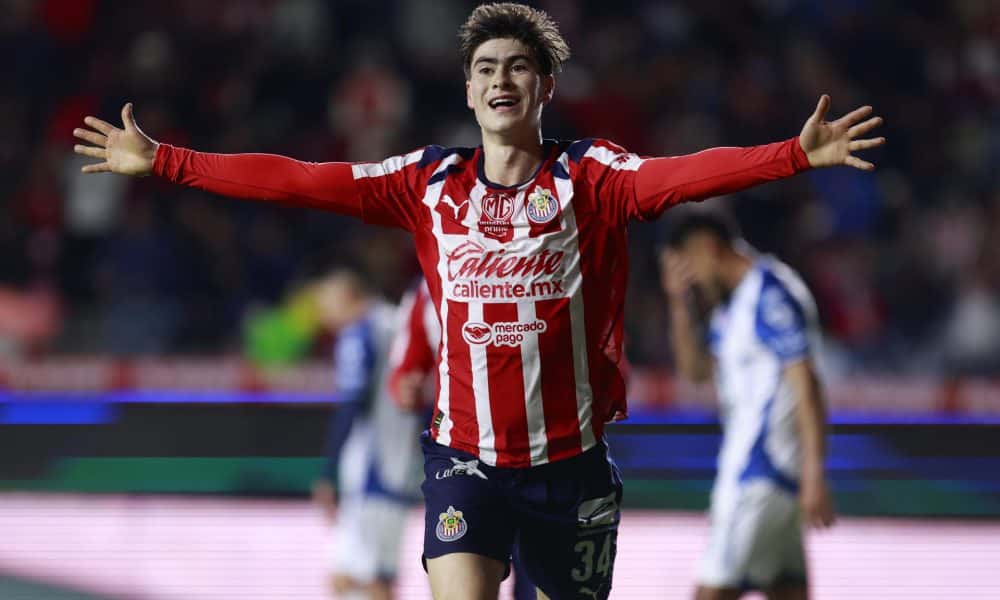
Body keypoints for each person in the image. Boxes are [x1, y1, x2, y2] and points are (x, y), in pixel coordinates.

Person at [72, 3, 882, 596]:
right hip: (467, 460)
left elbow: (685, 173)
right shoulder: (424, 184)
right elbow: (297, 179)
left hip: (573, 468)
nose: (502, 78)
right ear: (467, 91)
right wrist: (169, 161)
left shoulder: (591, 178)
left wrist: (790, 157)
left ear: (546, 87)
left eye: (518, 66)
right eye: (487, 67)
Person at [659, 212, 835, 600]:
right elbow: (696, 372)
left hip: (760, 476)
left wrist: (814, 474)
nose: (694, 282)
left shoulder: (770, 294)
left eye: (690, 269)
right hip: (766, 477)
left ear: (708, 249)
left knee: (711, 592)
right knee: (787, 588)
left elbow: (807, 383)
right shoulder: (731, 308)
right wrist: (678, 303)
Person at [311, 270, 424, 600]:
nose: (328, 322)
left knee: (350, 577)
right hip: (403, 466)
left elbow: (351, 402)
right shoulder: (400, 322)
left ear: (345, 297)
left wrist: (328, 472)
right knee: (381, 577)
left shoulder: (360, 333)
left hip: (370, 469)